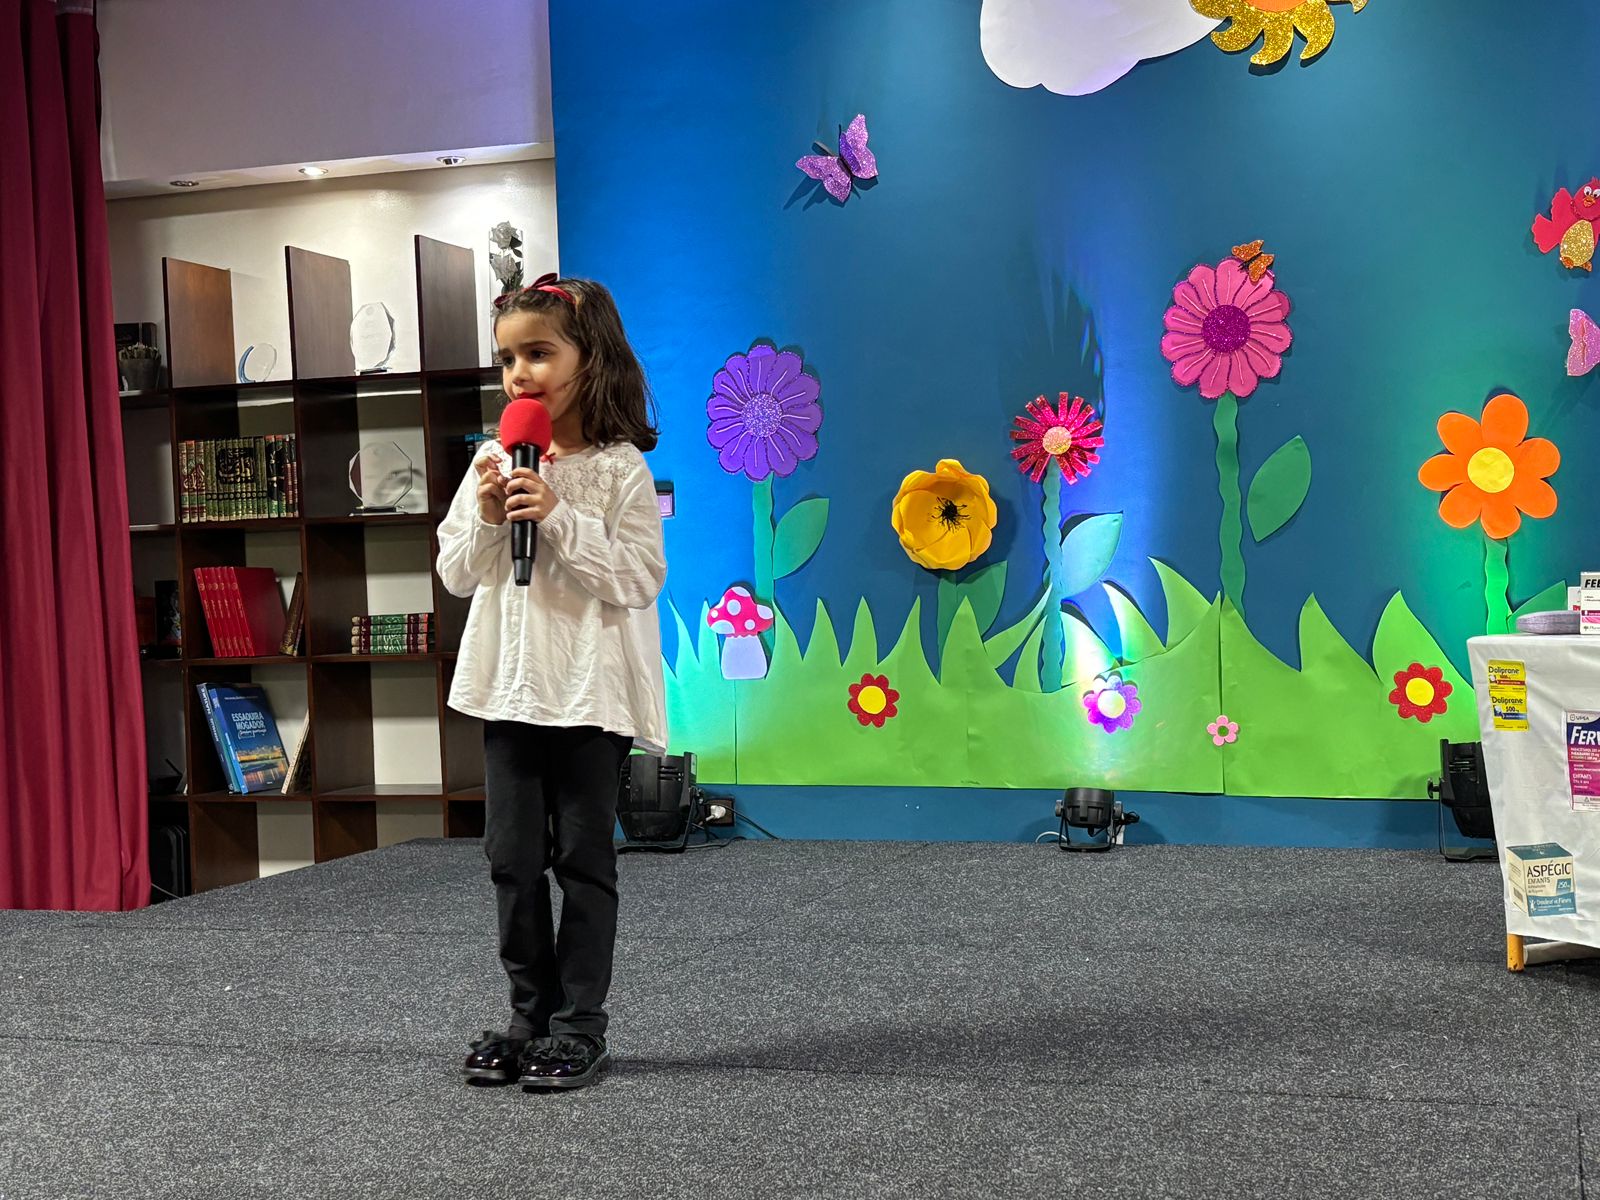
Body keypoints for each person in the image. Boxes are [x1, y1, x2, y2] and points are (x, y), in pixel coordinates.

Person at [436, 274, 667, 1090]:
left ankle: (579, 1026)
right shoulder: (492, 461)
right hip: (511, 690)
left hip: (589, 696)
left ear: (588, 357)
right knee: (510, 858)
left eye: (537, 353)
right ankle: (525, 1019)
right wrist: (488, 519)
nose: (518, 375)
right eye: (507, 359)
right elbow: (456, 573)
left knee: (582, 860)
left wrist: (559, 517)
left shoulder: (620, 469)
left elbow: (638, 578)